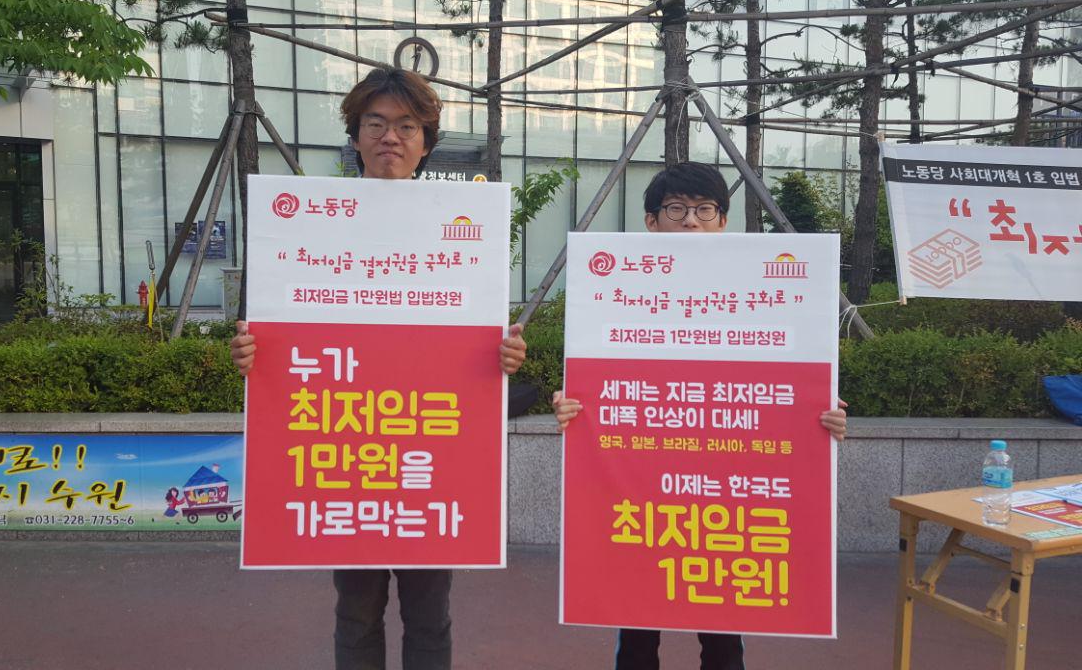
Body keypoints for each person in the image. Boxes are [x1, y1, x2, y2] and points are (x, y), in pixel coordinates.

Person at [229, 68, 528, 670]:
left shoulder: (461, 220)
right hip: (352, 464)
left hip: (428, 465)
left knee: (429, 615)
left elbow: (482, 346)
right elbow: (274, 335)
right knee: (357, 613)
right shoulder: (309, 221)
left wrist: (507, 356)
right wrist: (251, 355)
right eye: (376, 124)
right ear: (356, 136)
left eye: (407, 126)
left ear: (426, 142)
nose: (390, 137)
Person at [551, 161, 848, 670]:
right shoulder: (617, 289)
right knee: (636, 628)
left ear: (723, 220)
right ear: (651, 221)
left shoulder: (763, 290)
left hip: (725, 494)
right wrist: (571, 406)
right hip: (640, 491)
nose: (691, 221)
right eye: (676, 209)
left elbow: (791, 386)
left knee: (724, 639)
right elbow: (595, 384)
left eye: (704, 210)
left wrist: (821, 417)